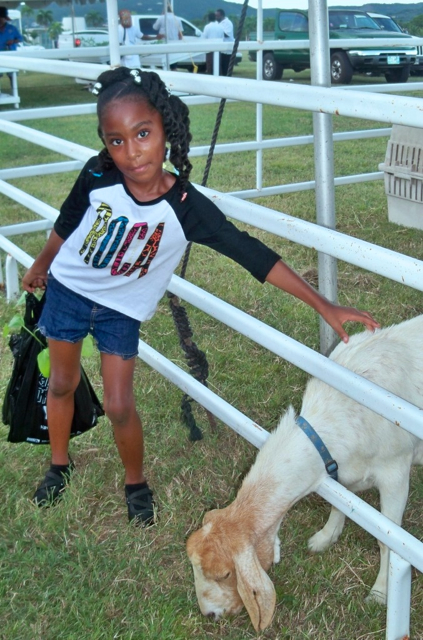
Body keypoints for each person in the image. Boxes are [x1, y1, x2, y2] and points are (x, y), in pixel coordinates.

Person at [22, 67, 379, 527]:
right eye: (116, 140)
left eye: (143, 133)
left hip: (121, 312)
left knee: (118, 404)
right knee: (63, 383)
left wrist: (323, 304)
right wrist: (41, 264)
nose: (131, 153)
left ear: (165, 130)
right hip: (69, 291)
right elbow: (67, 220)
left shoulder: (185, 207)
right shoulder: (98, 174)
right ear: (105, 143)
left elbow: (250, 253)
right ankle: (58, 464)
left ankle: (135, 483)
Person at [153, 4, 183, 70]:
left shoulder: (161, 18)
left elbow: (155, 27)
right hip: (175, 43)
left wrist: (161, 15)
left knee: (163, 62)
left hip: (163, 42)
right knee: (174, 64)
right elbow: (180, 34)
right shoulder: (177, 19)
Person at [0, 6, 23, 87]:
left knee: (12, 75)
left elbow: (20, 39)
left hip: (11, 55)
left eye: (3, 18)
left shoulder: (12, 28)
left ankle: (14, 90)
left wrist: (13, 41)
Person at [215, 8, 233, 76]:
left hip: (227, 51)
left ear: (222, 16)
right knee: (220, 69)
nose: (216, 17)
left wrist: (218, 32)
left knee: (226, 69)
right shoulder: (217, 23)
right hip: (220, 50)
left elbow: (227, 34)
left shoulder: (228, 23)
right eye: (215, 16)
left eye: (217, 16)